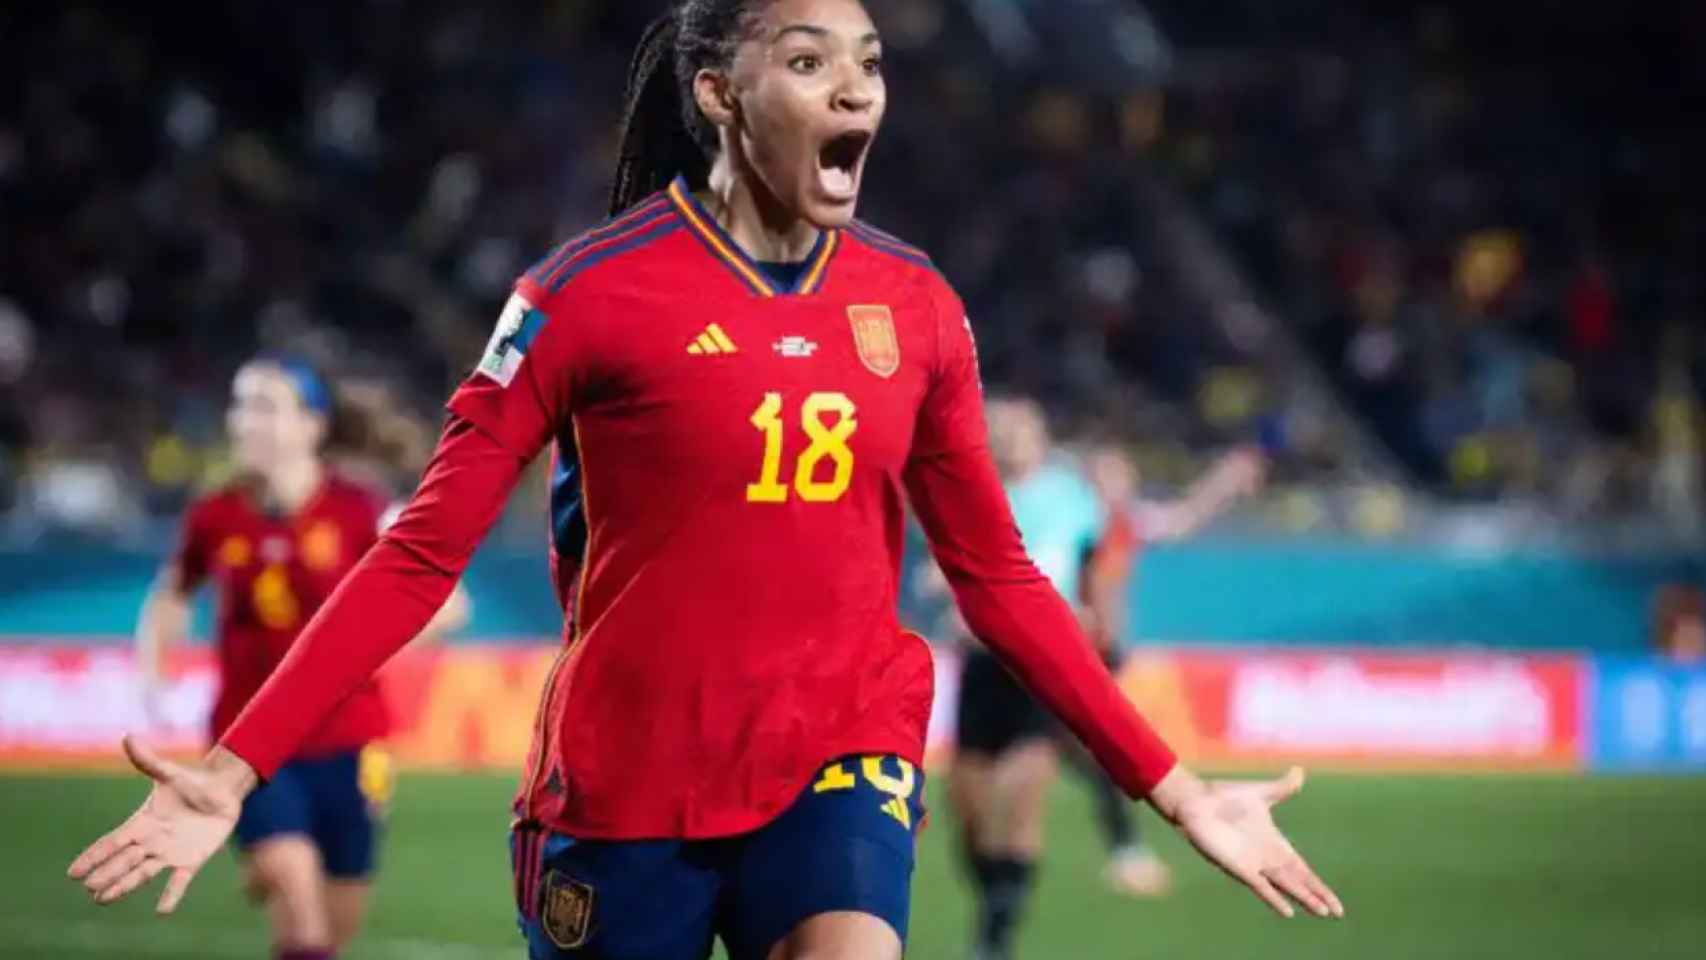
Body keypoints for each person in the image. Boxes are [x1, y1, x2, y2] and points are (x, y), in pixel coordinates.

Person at [70, 3, 1343, 959]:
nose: (853, 87)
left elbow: (998, 577)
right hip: (622, 785)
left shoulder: (917, 309)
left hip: (837, 752)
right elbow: (415, 556)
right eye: (808, 61)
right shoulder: (579, 296)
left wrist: (1173, 790)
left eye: (868, 63)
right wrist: (234, 769)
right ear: (719, 94)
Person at [131, 354, 470, 960]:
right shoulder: (215, 515)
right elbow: (172, 593)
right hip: (248, 743)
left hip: (351, 740)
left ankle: (273, 864)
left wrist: (363, 652)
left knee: (332, 922)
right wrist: (153, 672)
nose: (245, 422)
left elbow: (448, 605)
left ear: (312, 425)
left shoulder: (361, 509)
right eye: (239, 405)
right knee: (301, 899)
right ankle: (274, 856)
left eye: (265, 406)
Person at [945, 395, 1108, 960]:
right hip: (981, 660)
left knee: (1019, 793)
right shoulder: (968, 487)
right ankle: (996, 901)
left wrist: (1093, 624)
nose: (1009, 437)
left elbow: (1088, 568)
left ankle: (996, 936)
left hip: (1041, 661)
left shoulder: (1071, 496)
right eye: (1000, 429)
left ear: (1040, 434)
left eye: (1019, 427)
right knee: (966, 810)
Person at [1071, 440, 1268, 900]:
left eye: (1117, 475)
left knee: (1100, 754)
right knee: (1096, 753)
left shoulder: (1127, 523)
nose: (1109, 484)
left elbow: (1182, 518)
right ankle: (1127, 849)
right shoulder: (1069, 525)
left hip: (1103, 654)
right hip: (1064, 653)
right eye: (1100, 475)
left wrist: (1224, 482)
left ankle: (1126, 850)